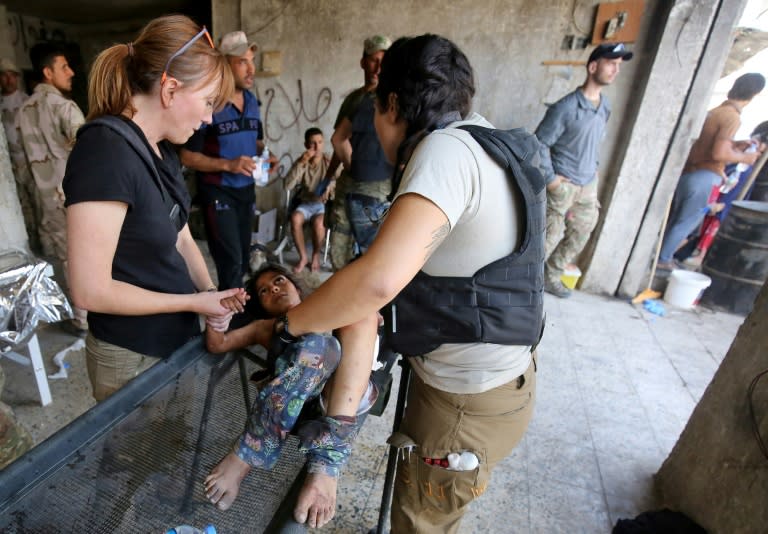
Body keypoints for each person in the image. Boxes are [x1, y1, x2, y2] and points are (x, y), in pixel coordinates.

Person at [272, 34, 541, 533]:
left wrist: (289, 325)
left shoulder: (443, 153)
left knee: (419, 524)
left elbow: (375, 282)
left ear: (391, 103)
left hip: (464, 406)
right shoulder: (479, 137)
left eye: (377, 107)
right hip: (486, 385)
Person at [63, 15, 245, 402]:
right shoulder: (105, 152)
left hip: (172, 338)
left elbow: (180, 234)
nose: (209, 118)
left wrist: (211, 294)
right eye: (208, 102)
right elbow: (89, 290)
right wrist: (194, 302)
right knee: (139, 459)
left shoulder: (159, 149)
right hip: (132, 353)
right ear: (170, 89)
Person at [203, 264, 378, 528]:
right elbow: (218, 344)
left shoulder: (328, 304)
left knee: (356, 319)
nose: (274, 288)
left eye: (279, 280)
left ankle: (313, 462)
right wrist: (220, 312)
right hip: (297, 406)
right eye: (264, 291)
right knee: (318, 344)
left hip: (342, 398)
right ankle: (265, 453)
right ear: (261, 307)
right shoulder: (265, 327)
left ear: (296, 286)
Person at [535, 42, 633, 298]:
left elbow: (594, 141)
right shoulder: (565, 108)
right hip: (562, 186)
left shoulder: (605, 106)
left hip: (587, 185)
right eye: (611, 64)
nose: (615, 70)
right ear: (593, 67)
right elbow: (538, 145)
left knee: (581, 233)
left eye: (618, 66)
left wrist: (595, 172)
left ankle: (550, 275)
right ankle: (521, 286)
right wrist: (552, 181)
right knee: (546, 240)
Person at [180, 30, 268, 290]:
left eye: (251, 61)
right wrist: (229, 165)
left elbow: (257, 140)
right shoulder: (210, 104)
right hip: (219, 193)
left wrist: (267, 155)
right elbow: (187, 156)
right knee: (230, 262)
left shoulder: (252, 101)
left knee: (243, 260)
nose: (251, 69)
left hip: (246, 191)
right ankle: (226, 324)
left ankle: (235, 313)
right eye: (242, 62)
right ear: (224, 65)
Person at [657, 73, 765, 271]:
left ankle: (662, 257)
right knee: (685, 223)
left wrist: (735, 145)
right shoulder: (732, 117)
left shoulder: (716, 111)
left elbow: (712, 147)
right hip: (703, 177)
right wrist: (745, 158)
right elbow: (718, 152)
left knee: (678, 221)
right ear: (755, 94)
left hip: (691, 174)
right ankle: (663, 260)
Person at [17, 43, 88, 331]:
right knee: (82, 256)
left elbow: (20, 164)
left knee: (65, 258)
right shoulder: (64, 107)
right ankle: (86, 318)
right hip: (71, 195)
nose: (71, 72)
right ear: (48, 73)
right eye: (64, 67)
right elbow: (88, 152)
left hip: (44, 197)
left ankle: (79, 314)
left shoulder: (23, 110)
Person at [324, 35, 393, 270]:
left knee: (372, 252)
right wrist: (328, 177)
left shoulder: (394, 100)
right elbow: (339, 141)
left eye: (383, 61)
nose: (378, 67)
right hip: (350, 181)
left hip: (378, 186)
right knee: (339, 245)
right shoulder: (354, 99)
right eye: (373, 60)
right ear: (363, 62)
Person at [284, 127, 336, 273]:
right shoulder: (303, 161)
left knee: (319, 223)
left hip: (323, 205)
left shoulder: (329, 161)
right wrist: (301, 162)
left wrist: (330, 186)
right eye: (312, 143)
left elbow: (340, 180)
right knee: (295, 218)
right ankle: (303, 257)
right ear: (306, 145)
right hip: (306, 203)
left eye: (320, 142)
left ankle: (315, 256)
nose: (317, 147)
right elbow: (287, 184)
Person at [0, 58, 37, 251]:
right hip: (11, 166)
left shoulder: (26, 101)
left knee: (37, 204)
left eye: (11, 75)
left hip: (29, 161)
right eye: (3, 76)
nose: (7, 80)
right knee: (22, 208)